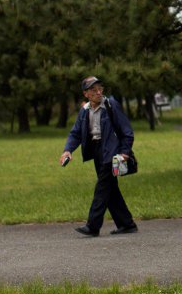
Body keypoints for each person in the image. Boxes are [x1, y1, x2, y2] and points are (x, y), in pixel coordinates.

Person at [59, 76, 138, 237]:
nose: (98, 92)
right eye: (93, 90)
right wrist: (68, 150)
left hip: (112, 151)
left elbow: (127, 132)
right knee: (111, 189)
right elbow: (75, 133)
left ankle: (93, 225)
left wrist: (125, 152)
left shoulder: (111, 105)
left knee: (102, 188)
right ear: (86, 94)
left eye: (100, 88)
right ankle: (126, 224)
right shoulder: (85, 111)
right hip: (96, 151)